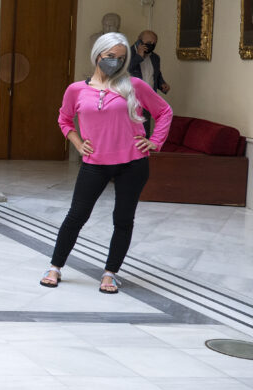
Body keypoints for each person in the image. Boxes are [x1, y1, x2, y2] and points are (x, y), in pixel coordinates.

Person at [41, 32, 172, 294]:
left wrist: (155, 141)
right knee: (76, 216)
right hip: (95, 162)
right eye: (110, 56)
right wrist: (78, 144)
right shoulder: (76, 90)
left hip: (133, 163)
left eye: (120, 58)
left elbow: (164, 111)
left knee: (123, 219)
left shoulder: (134, 85)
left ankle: (110, 273)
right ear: (97, 55)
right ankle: (55, 267)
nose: (114, 61)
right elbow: (64, 120)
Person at [128, 30, 170, 95]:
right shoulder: (127, 53)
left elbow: (156, 74)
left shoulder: (155, 58)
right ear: (139, 40)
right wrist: (138, 57)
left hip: (149, 98)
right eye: (149, 42)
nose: (151, 45)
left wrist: (162, 84)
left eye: (154, 43)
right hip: (131, 98)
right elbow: (123, 71)